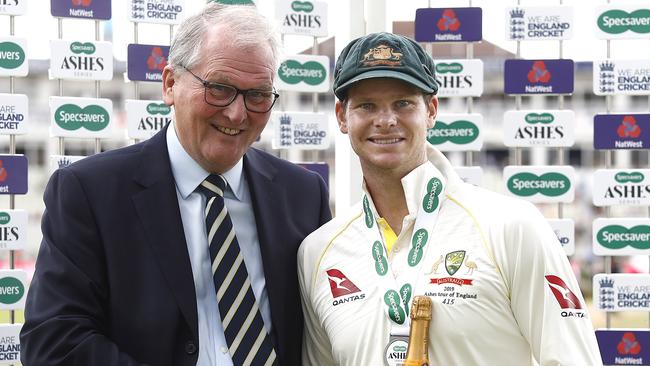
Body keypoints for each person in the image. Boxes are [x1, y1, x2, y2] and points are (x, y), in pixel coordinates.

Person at [21, 4, 331, 366]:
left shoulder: (303, 195)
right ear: (170, 84)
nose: (237, 113)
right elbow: (54, 341)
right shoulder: (89, 192)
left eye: (257, 95)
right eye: (219, 88)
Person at [298, 32, 602, 366]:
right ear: (342, 116)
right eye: (367, 105)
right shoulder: (318, 253)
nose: (385, 120)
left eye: (403, 103)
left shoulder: (511, 225)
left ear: (430, 111)